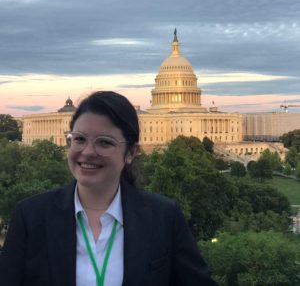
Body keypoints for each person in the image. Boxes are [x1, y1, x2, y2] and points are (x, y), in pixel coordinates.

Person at [0, 91, 218, 286]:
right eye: (79, 139)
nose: (87, 152)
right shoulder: (31, 216)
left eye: (104, 142)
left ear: (131, 152)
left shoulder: (164, 216)